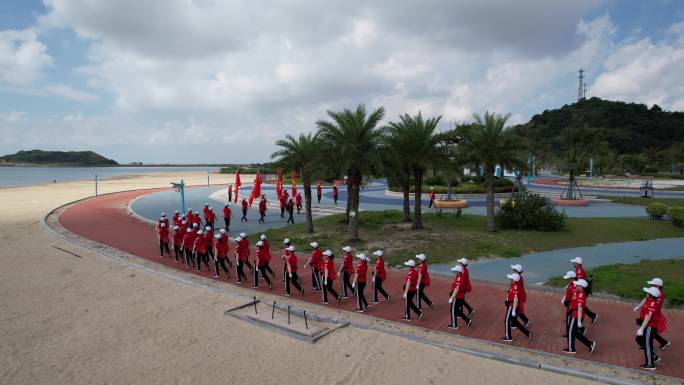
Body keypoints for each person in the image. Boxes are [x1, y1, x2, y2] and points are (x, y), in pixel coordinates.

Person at [634, 278, 669, 350]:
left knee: (647, 331)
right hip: (647, 314)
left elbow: (652, 310)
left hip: (652, 316)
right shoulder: (652, 292)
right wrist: (639, 306)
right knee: (650, 331)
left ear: (658, 286)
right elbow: (646, 298)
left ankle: (646, 347)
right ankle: (663, 342)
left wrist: (642, 328)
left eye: (652, 284)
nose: (650, 285)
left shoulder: (658, 295)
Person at [564, 279, 596, 354]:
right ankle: (590, 344)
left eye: (578, 285)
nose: (576, 286)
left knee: (570, 331)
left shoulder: (581, 295)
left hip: (576, 315)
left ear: (582, 287)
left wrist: (578, 321)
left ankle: (571, 348)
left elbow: (580, 308)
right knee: (575, 332)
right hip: (574, 313)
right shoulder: (579, 292)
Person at [635, 286, 663, 370]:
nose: (646, 293)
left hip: (650, 327)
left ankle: (650, 364)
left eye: (648, 293)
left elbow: (648, 317)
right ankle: (653, 357)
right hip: (649, 326)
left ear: (651, 295)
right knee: (642, 341)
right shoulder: (651, 300)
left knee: (647, 345)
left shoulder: (652, 304)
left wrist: (641, 328)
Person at [502, 272, 531, 342]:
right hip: (511, 305)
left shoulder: (516, 287)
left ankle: (508, 336)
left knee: (506, 321)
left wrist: (514, 310)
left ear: (515, 280)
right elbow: (509, 293)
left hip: (512, 306)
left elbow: (515, 299)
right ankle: (528, 333)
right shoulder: (513, 284)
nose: (510, 279)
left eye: (511, 279)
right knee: (514, 322)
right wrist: (507, 299)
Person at [571, 257, 598, 323]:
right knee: (578, 305)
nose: (572, 264)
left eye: (574, 263)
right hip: (580, 290)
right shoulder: (578, 269)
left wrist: (576, 291)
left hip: (581, 291)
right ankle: (572, 318)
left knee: (580, 306)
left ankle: (593, 316)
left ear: (577, 263)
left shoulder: (579, 271)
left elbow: (579, 282)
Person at [447, 265, 472, 329]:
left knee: (452, 310)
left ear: (458, 272)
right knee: (457, 310)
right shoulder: (460, 276)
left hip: (457, 297)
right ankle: (467, 320)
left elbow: (456, 289)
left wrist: (452, 298)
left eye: (455, 271)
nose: (454, 272)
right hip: (461, 297)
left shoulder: (459, 278)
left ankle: (454, 324)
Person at [560, 270, 577, 339]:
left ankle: (569, 335)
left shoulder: (575, 286)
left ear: (572, 278)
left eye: (568, 279)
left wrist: (568, 302)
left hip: (571, 307)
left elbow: (574, 298)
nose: (566, 280)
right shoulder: (571, 284)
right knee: (568, 320)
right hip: (568, 305)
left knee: (569, 321)